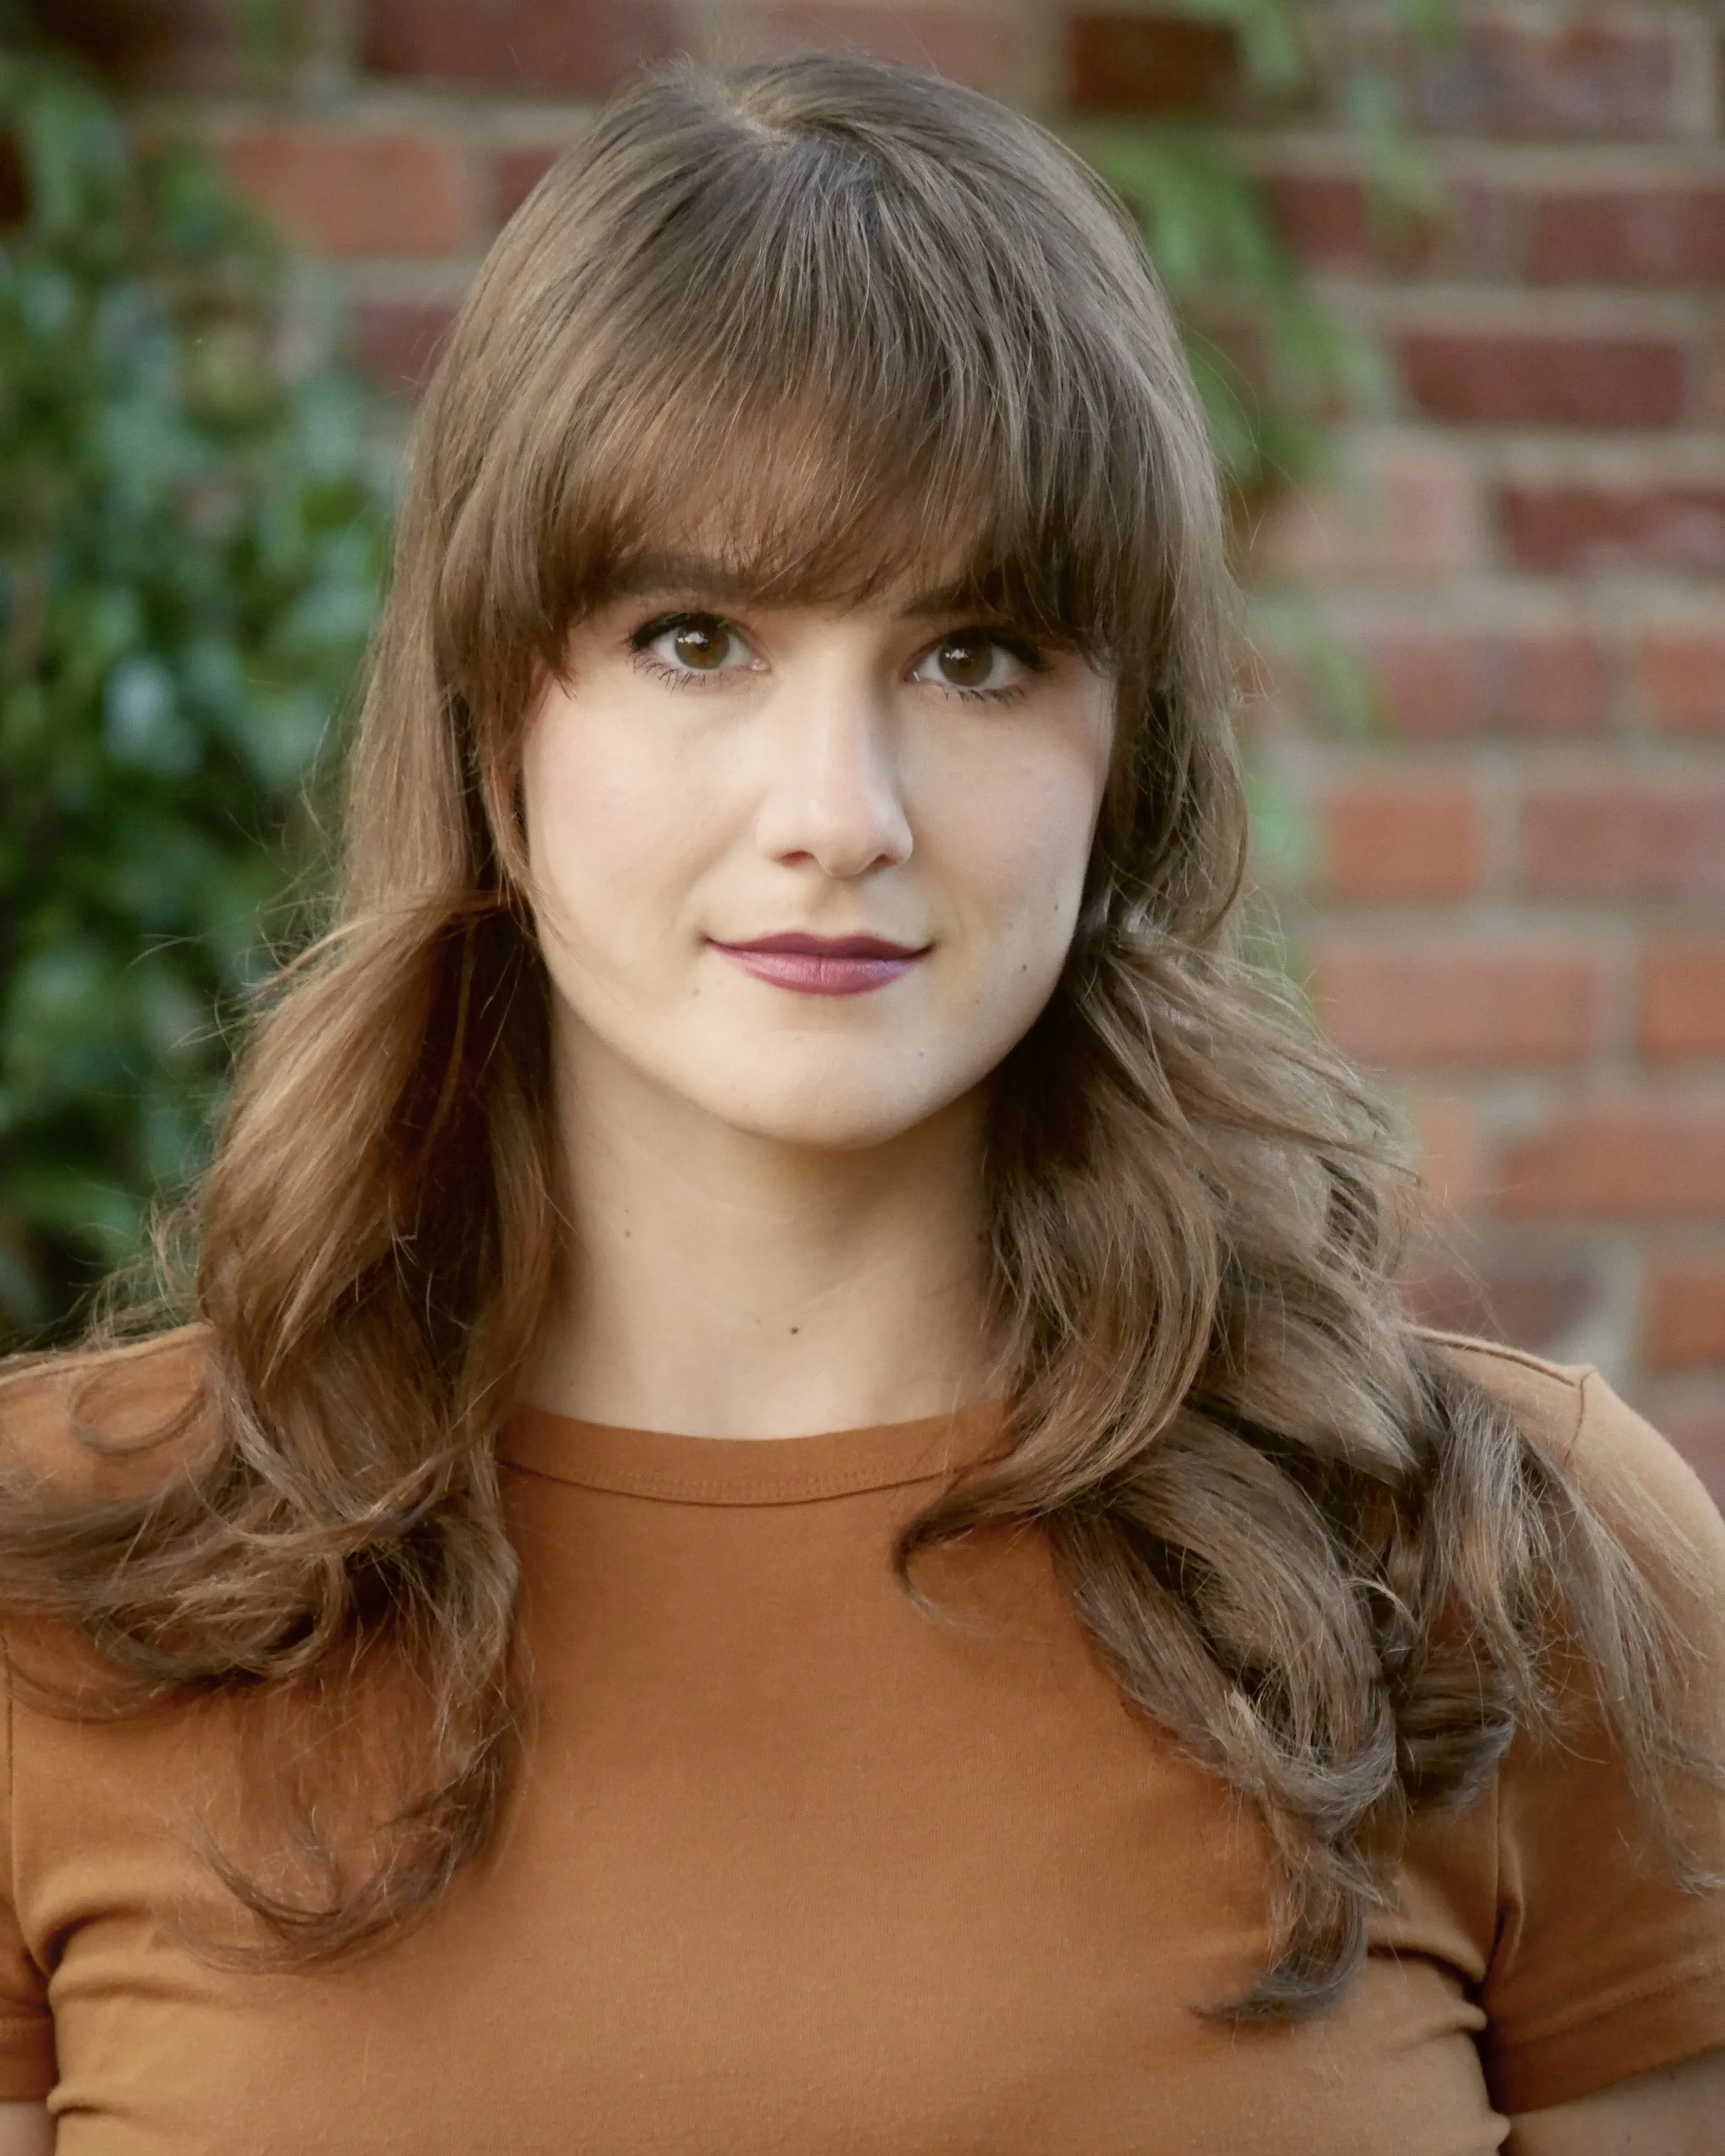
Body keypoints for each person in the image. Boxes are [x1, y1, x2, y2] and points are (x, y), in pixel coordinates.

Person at [0, 52, 1721, 2156]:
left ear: (1131, 751)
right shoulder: (57, 1587)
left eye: (976, 655)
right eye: (696, 637)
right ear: (489, 723)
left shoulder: (1512, 1565)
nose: (839, 815)